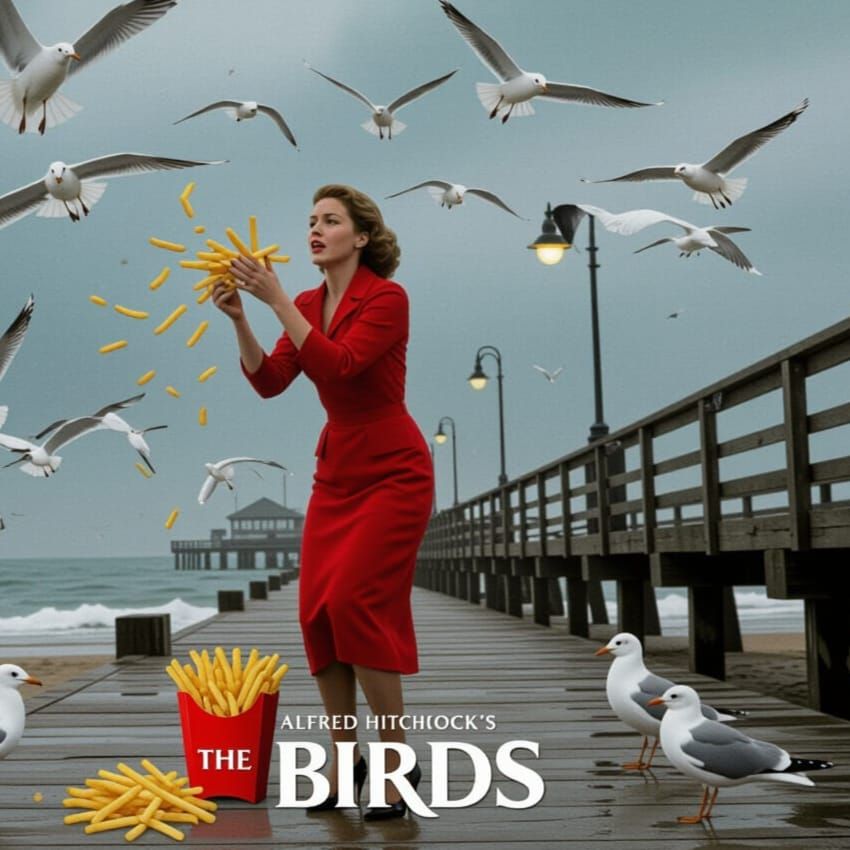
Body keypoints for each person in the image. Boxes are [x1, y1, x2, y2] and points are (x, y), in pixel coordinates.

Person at [213, 184, 433, 820]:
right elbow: (271, 382)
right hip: (337, 472)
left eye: (330, 221)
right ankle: (344, 759)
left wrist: (276, 298)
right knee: (317, 613)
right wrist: (241, 319)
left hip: (394, 470)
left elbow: (339, 366)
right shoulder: (307, 301)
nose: (315, 230)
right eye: (310, 220)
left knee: (354, 603)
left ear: (360, 237)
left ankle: (395, 760)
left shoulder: (388, 298)